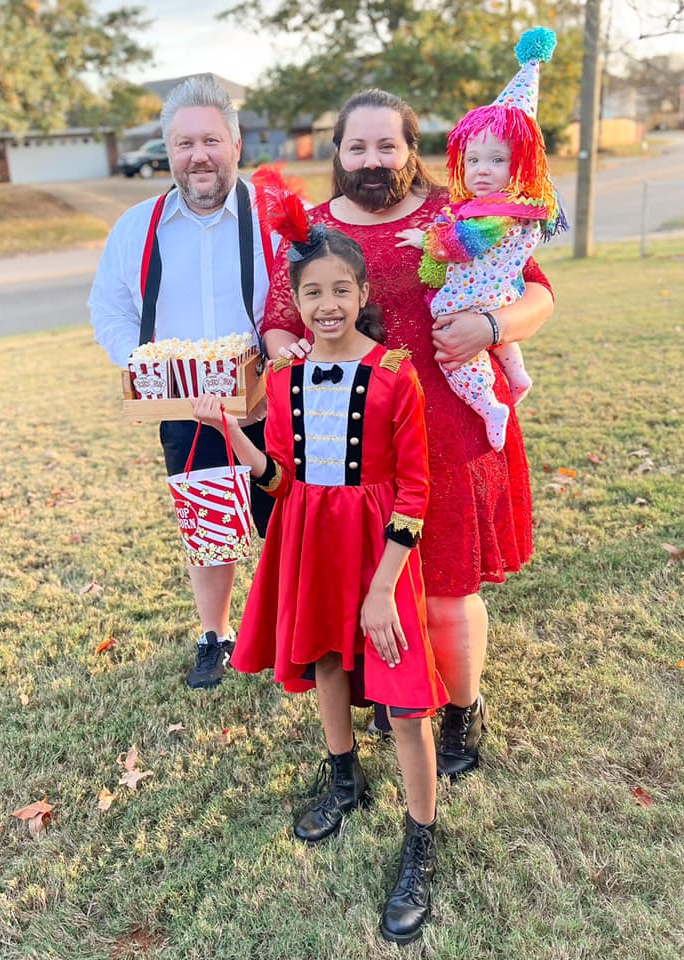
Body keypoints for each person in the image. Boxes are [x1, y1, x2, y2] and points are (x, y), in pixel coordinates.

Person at [262, 85, 554, 777]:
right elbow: (279, 317)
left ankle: (462, 708)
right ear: (337, 153)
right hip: (352, 446)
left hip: (449, 429)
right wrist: (282, 345)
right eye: (357, 146)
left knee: (446, 589)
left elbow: (536, 290)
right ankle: (395, 690)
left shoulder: (462, 210)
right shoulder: (311, 231)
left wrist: (491, 327)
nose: (372, 159)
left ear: (411, 150)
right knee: (371, 585)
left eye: (386, 146)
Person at [192, 186, 448, 944]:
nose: (327, 305)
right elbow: (280, 478)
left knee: (404, 697)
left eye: (341, 290)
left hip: (380, 552)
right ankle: (344, 777)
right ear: (295, 302)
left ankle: (421, 839)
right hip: (312, 540)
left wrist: (383, 588)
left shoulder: (396, 374)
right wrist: (234, 436)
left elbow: (414, 490)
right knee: (329, 658)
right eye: (312, 293)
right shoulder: (282, 379)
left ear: (363, 294)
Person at [89, 74, 278, 690]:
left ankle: (302, 627)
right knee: (208, 522)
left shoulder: (273, 216)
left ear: (236, 144)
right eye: (184, 143)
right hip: (184, 404)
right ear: (168, 150)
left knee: (292, 520)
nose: (199, 156)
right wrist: (144, 362)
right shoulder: (137, 226)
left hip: (272, 400)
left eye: (211, 141)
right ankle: (215, 635)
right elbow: (109, 305)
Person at [396, 27, 566, 452]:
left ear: (522, 164)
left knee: (454, 352)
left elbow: (457, 245)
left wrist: (428, 240)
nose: (482, 169)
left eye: (497, 159)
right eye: (473, 159)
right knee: (498, 337)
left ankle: (488, 404)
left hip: (474, 298)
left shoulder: (497, 213)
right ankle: (518, 374)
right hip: (499, 293)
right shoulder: (521, 205)